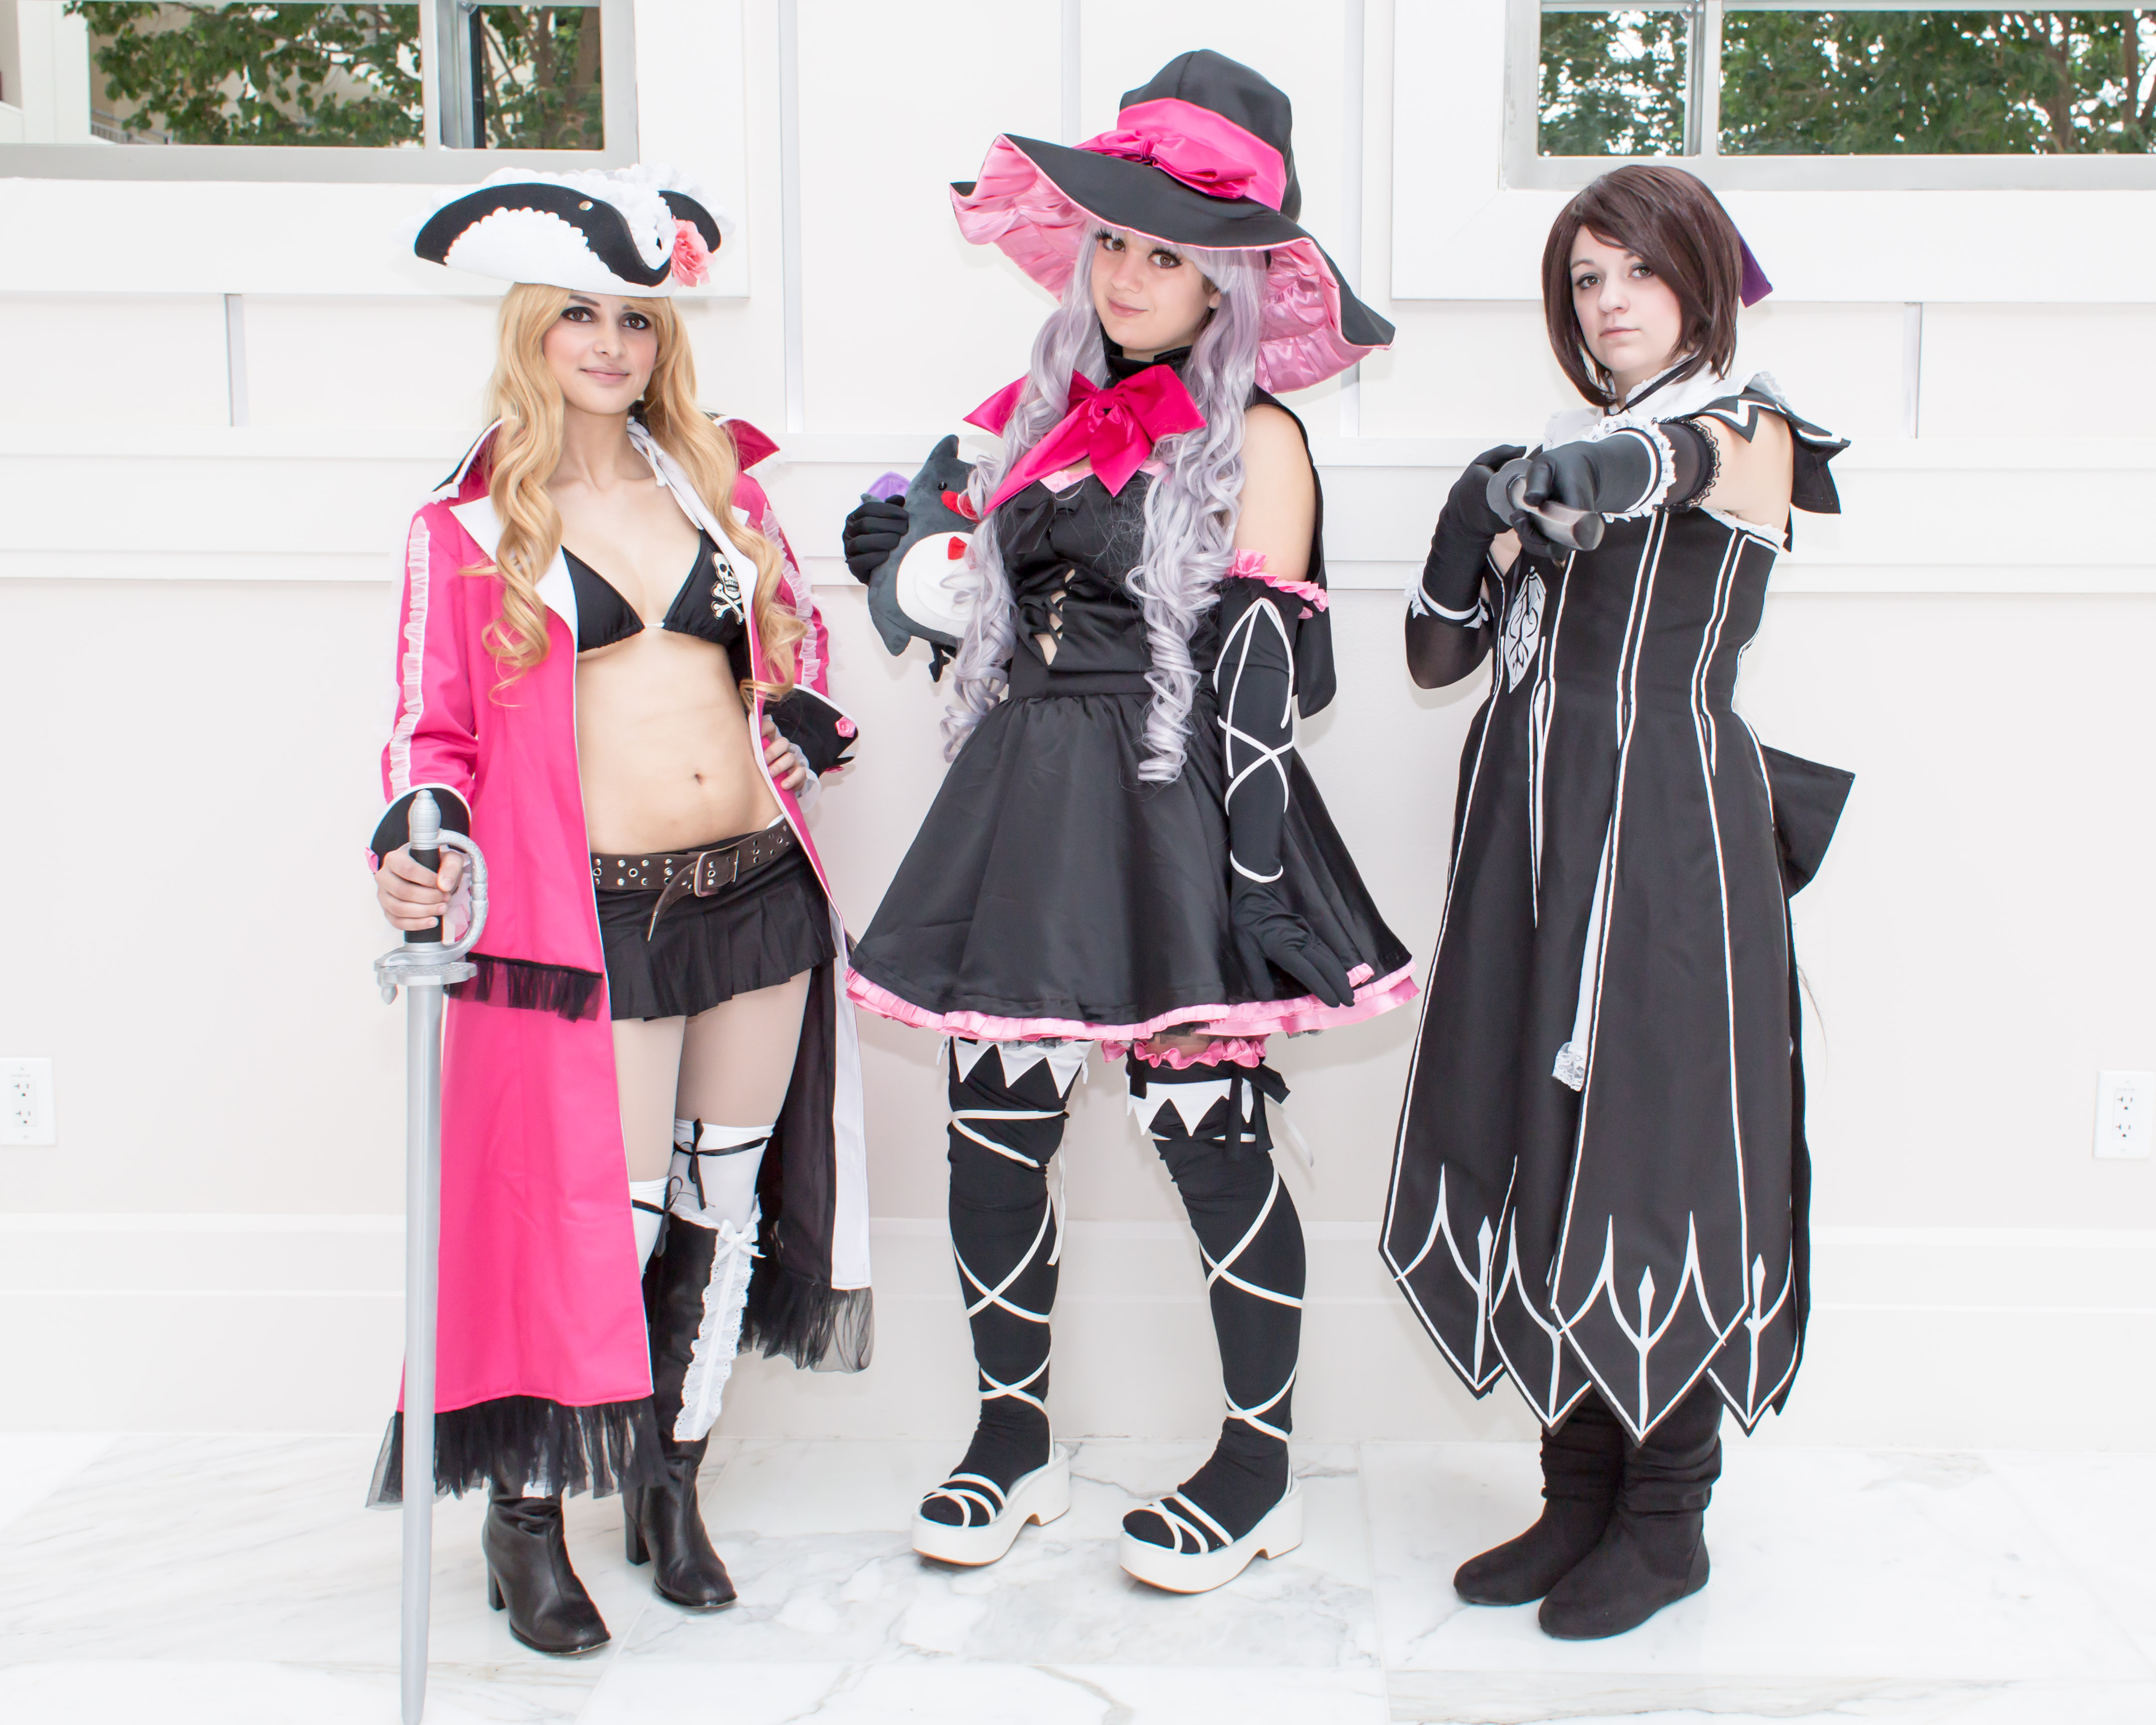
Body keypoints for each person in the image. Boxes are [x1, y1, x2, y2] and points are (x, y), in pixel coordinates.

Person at [841, 51, 1414, 1595]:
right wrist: (912, 559)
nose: (1129, 274)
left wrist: (1257, 897)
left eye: (1169, 252)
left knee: (1209, 1145)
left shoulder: (1260, 440)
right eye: (1113, 240)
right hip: (1021, 804)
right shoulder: (1030, 419)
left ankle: (1257, 1467)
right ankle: (1009, 1439)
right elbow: (968, 601)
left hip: (1178, 816)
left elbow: (1261, 683)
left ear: (1228, 277)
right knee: (991, 1132)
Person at [363, 166, 871, 1656]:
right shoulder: (468, 525)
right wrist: (419, 834)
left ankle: (670, 1477)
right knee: (598, 1218)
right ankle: (526, 1520)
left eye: (636, 319)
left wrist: (805, 714)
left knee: (724, 1202)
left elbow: (793, 647)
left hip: (755, 893)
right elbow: (429, 731)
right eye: (579, 314)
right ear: (529, 326)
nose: (609, 343)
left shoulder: (724, 492)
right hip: (595, 921)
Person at [1384, 163, 1854, 1639]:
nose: (1608, 302)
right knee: (1538, 1123)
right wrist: (1472, 528)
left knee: (1660, 1139)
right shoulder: (1560, 453)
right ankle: (1578, 1490)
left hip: (1664, 831)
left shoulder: (1752, 428)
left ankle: (1666, 1519)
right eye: (1586, 279)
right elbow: (1434, 660)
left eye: (1636, 270)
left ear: (1696, 276)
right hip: (1531, 829)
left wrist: (1561, 483)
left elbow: (1665, 469)